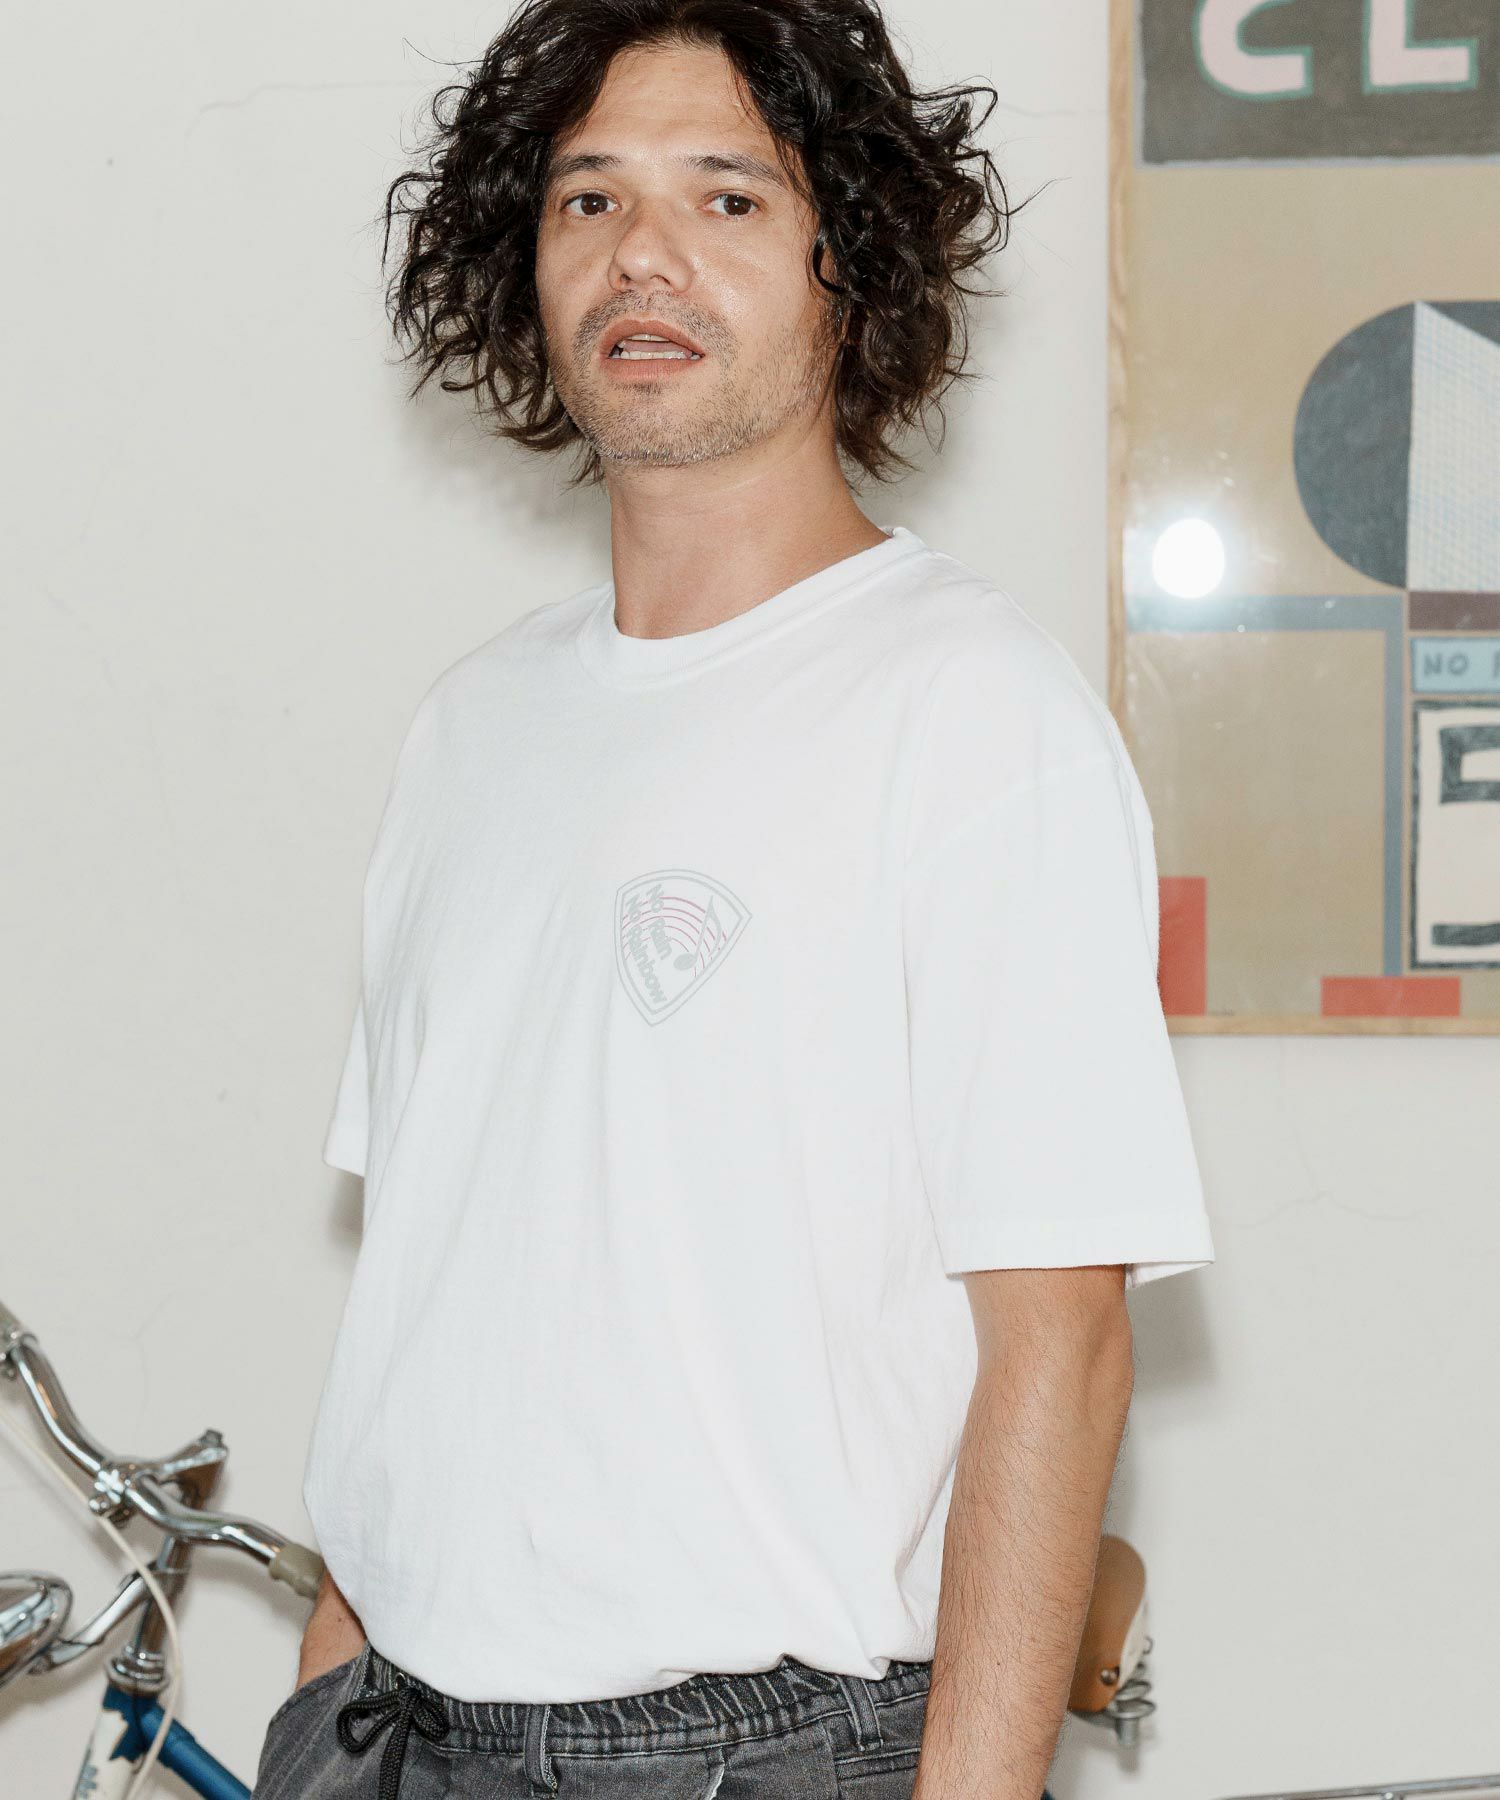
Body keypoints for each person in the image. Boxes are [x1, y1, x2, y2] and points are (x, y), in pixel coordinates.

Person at [251, 0, 1215, 1795]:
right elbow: (433, 1300)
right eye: (587, 198)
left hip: (753, 1750)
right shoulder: (471, 729)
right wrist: (322, 1713)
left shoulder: (972, 712)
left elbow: (1063, 1344)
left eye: (728, 197)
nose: (644, 255)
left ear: (855, 267)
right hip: (398, 1728)